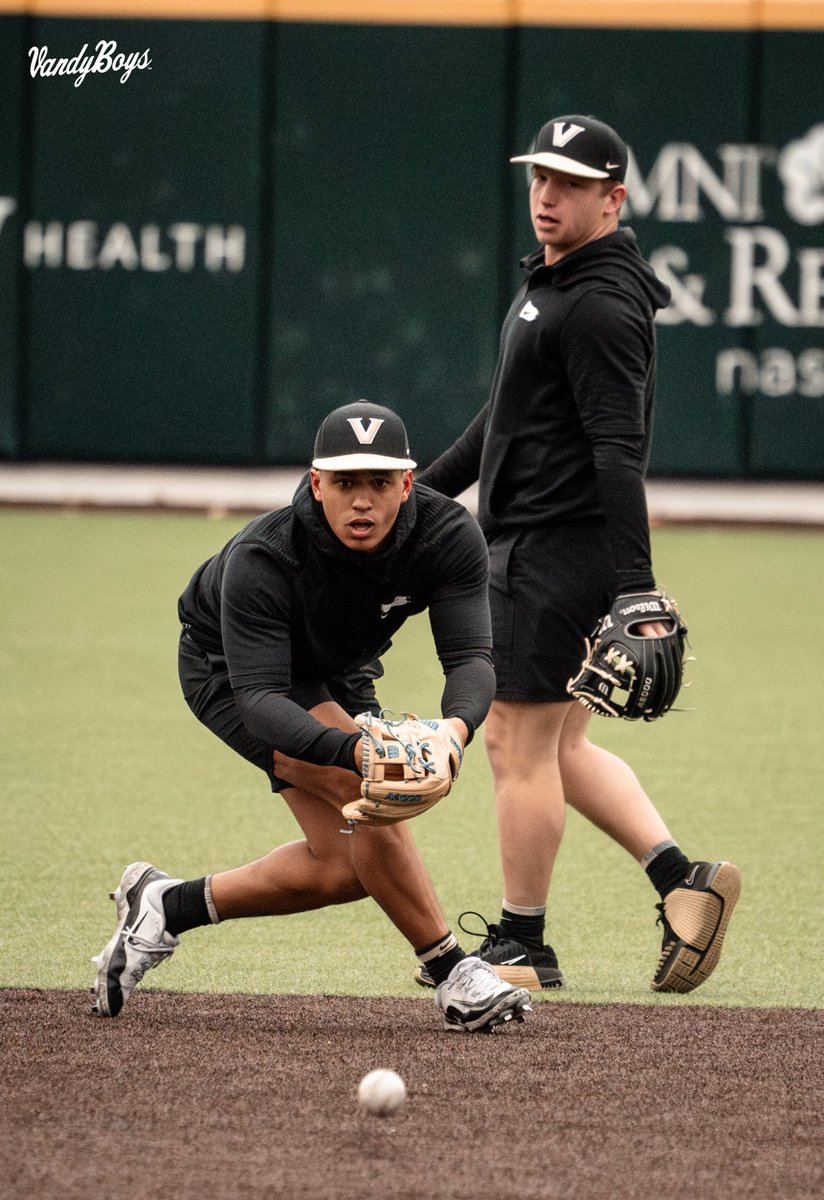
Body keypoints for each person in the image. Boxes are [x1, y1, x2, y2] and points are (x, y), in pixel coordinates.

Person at [417, 115, 741, 994]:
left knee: (514, 748)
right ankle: (685, 881)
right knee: (558, 748)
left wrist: (634, 586)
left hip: (552, 556)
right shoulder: (557, 282)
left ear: (614, 198)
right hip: (540, 547)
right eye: (538, 180)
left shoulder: (598, 301)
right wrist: (423, 492)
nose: (547, 197)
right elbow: (504, 420)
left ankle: (523, 943)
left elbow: (616, 448)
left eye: (568, 184)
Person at [90, 401, 533, 1033]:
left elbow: (471, 658)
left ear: (408, 484)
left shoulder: (445, 534)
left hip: (336, 666)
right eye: (346, 482)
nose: (362, 501)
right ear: (316, 482)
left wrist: (452, 734)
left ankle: (167, 904)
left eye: (379, 482)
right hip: (233, 669)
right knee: (371, 787)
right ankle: (455, 976)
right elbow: (264, 700)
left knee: (343, 867)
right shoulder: (266, 556)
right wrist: (359, 753)